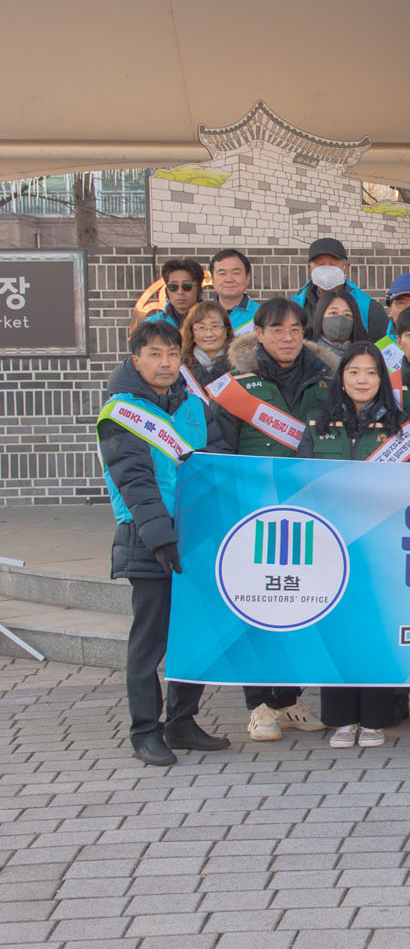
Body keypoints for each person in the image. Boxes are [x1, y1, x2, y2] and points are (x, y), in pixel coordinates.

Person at [98, 321, 230, 766]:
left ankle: (182, 722)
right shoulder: (120, 412)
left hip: (196, 536)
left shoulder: (194, 406)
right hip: (147, 538)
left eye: (172, 353)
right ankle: (144, 731)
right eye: (154, 354)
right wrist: (161, 537)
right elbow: (135, 482)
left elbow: (217, 464)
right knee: (149, 643)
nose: (165, 362)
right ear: (135, 358)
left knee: (195, 635)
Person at [211, 297, 336, 741]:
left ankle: (289, 699)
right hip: (253, 516)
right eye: (277, 330)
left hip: (310, 515)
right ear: (259, 334)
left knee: (300, 606)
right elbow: (219, 451)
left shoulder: (327, 382)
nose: (287, 338)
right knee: (257, 609)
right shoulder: (235, 387)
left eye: (295, 330)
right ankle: (259, 704)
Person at [294, 342, 410, 749]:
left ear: (382, 380)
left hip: (381, 544)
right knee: (338, 630)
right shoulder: (318, 424)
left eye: (371, 372)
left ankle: (375, 719)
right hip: (331, 543)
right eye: (354, 372)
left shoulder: (401, 427)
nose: (362, 380)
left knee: (375, 631)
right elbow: (301, 479)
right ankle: (342, 719)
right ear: (341, 378)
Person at [291, 238, 388, 343]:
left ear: (346, 267)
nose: (326, 269)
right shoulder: (295, 307)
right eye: (320, 264)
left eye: (333, 263)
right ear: (310, 269)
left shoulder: (369, 308)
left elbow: (382, 350)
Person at [179, 301, 234, 393]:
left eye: (215, 326)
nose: (209, 334)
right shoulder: (180, 368)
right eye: (201, 327)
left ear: (226, 331)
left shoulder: (242, 366)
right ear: (192, 333)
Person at [208, 248, 257, 333]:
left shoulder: (262, 314)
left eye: (236, 273)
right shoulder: (200, 315)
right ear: (212, 280)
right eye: (222, 273)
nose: (229, 279)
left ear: (247, 278)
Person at [147, 258, 204, 328]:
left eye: (186, 286)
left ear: (199, 289)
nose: (180, 292)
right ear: (166, 291)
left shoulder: (214, 321)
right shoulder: (151, 325)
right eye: (173, 286)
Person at [311, 292, 357, 357]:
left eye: (347, 314)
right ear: (321, 315)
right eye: (333, 313)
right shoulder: (305, 353)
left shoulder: (364, 354)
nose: (340, 320)